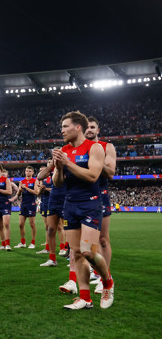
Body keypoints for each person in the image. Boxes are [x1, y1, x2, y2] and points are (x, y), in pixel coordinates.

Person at [52, 111, 114, 310]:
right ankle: (85, 298)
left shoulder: (94, 148)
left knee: (88, 251)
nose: (61, 131)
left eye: (65, 126)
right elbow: (57, 183)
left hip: (90, 203)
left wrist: (68, 163)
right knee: (76, 253)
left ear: (78, 127)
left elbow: (93, 176)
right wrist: (59, 167)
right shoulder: (64, 150)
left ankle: (108, 282)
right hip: (70, 204)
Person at [85, 116, 117, 294]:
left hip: (101, 195)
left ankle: (105, 277)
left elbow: (111, 173)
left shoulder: (107, 147)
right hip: (83, 197)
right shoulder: (79, 149)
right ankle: (95, 273)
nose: (89, 130)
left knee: (103, 239)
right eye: (86, 127)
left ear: (98, 130)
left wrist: (98, 159)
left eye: (92, 127)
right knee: (88, 243)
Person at [13, 166, 38, 249]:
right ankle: (23, 242)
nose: (28, 172)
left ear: (32, 173)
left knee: (32, 224)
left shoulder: (35, 181)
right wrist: (20, 189)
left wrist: (26, 187)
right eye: (27, 171)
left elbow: (36, 192)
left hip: (31, 204)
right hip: (23, 204)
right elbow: (20, 194)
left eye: (30, 171)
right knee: (20, 224)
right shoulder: (22, 181)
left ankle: (33, 242)